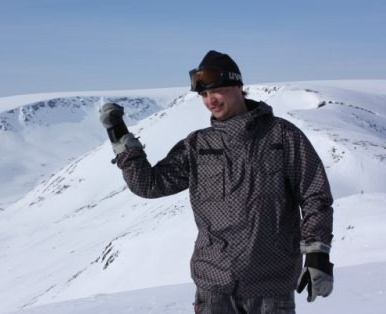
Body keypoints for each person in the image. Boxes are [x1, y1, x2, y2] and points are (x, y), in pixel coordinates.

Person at [99, 50, 334, 314]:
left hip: (270, 287)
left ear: (238, 86)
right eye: (203, 95)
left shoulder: (282, 136)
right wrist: (119, 135)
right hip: (213, 289)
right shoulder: (198, 145)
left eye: (217, 91)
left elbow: (315, 195)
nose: (210, 100)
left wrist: (317, 253)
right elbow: (149, 185)